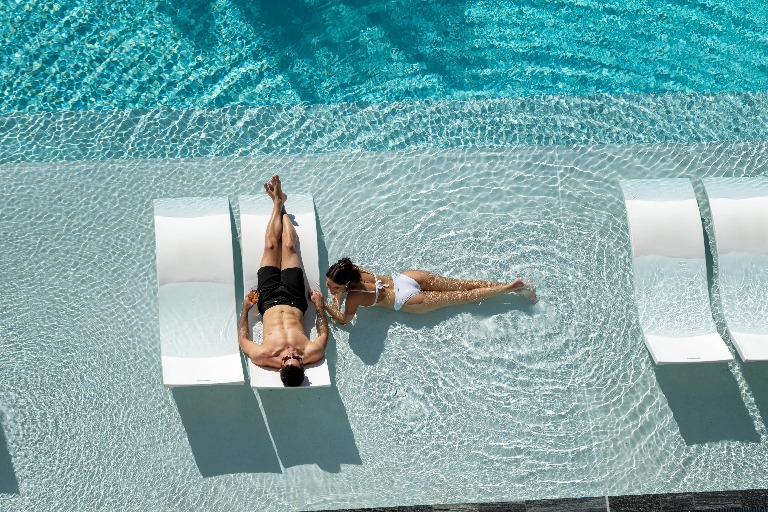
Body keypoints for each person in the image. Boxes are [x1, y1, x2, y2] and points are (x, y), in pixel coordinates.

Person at [238, 175, 329, 387]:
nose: (292, 353)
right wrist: (319, 306)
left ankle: (277, 203)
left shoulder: (263, 356)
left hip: (267, 299)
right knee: (288, 246)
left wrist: (245, 309)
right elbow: (323, 332)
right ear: (302, 365)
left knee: (270, 247)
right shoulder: (312, 352)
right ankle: (281, 205)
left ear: (280, 365)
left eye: (288, 358)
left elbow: (243, 340)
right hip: (295, 298)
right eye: (296, 359)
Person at [323, 257, 537, 325]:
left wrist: (325, 303)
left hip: (408, 300)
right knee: (463, 285)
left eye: (333, 285)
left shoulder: (354, 297)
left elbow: (343, 320)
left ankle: (510, 288)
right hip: (407, 277)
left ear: (345, 285)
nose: (329, 288)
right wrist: (339, 290)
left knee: (466, 297)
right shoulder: (355, 271)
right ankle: (513, 285)